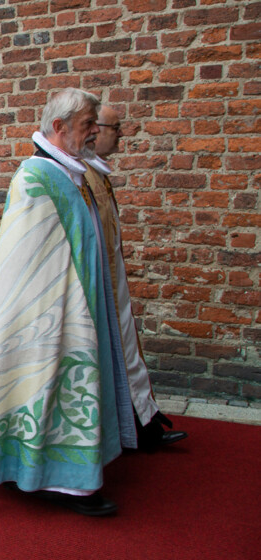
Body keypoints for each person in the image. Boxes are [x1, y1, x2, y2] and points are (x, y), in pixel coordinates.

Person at [0, 88, 130, 516]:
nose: (95, 131)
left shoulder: (72, 172)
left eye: (95, 124)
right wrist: (60, 308)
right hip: (47, 313)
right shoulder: (37, 177)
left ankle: (63, 474)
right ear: (59, 127)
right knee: (49, 390)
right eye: (88, 124)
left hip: (78, 302)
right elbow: (27, 261)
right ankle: (57, 480)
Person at [84, 106, 187, 452]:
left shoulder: (95, 173)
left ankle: (143, 421)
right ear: (95, 130)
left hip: (113, 281)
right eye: (116, 127)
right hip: (99, 286)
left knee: (126, 349)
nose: (120, 135)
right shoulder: (81, 176)